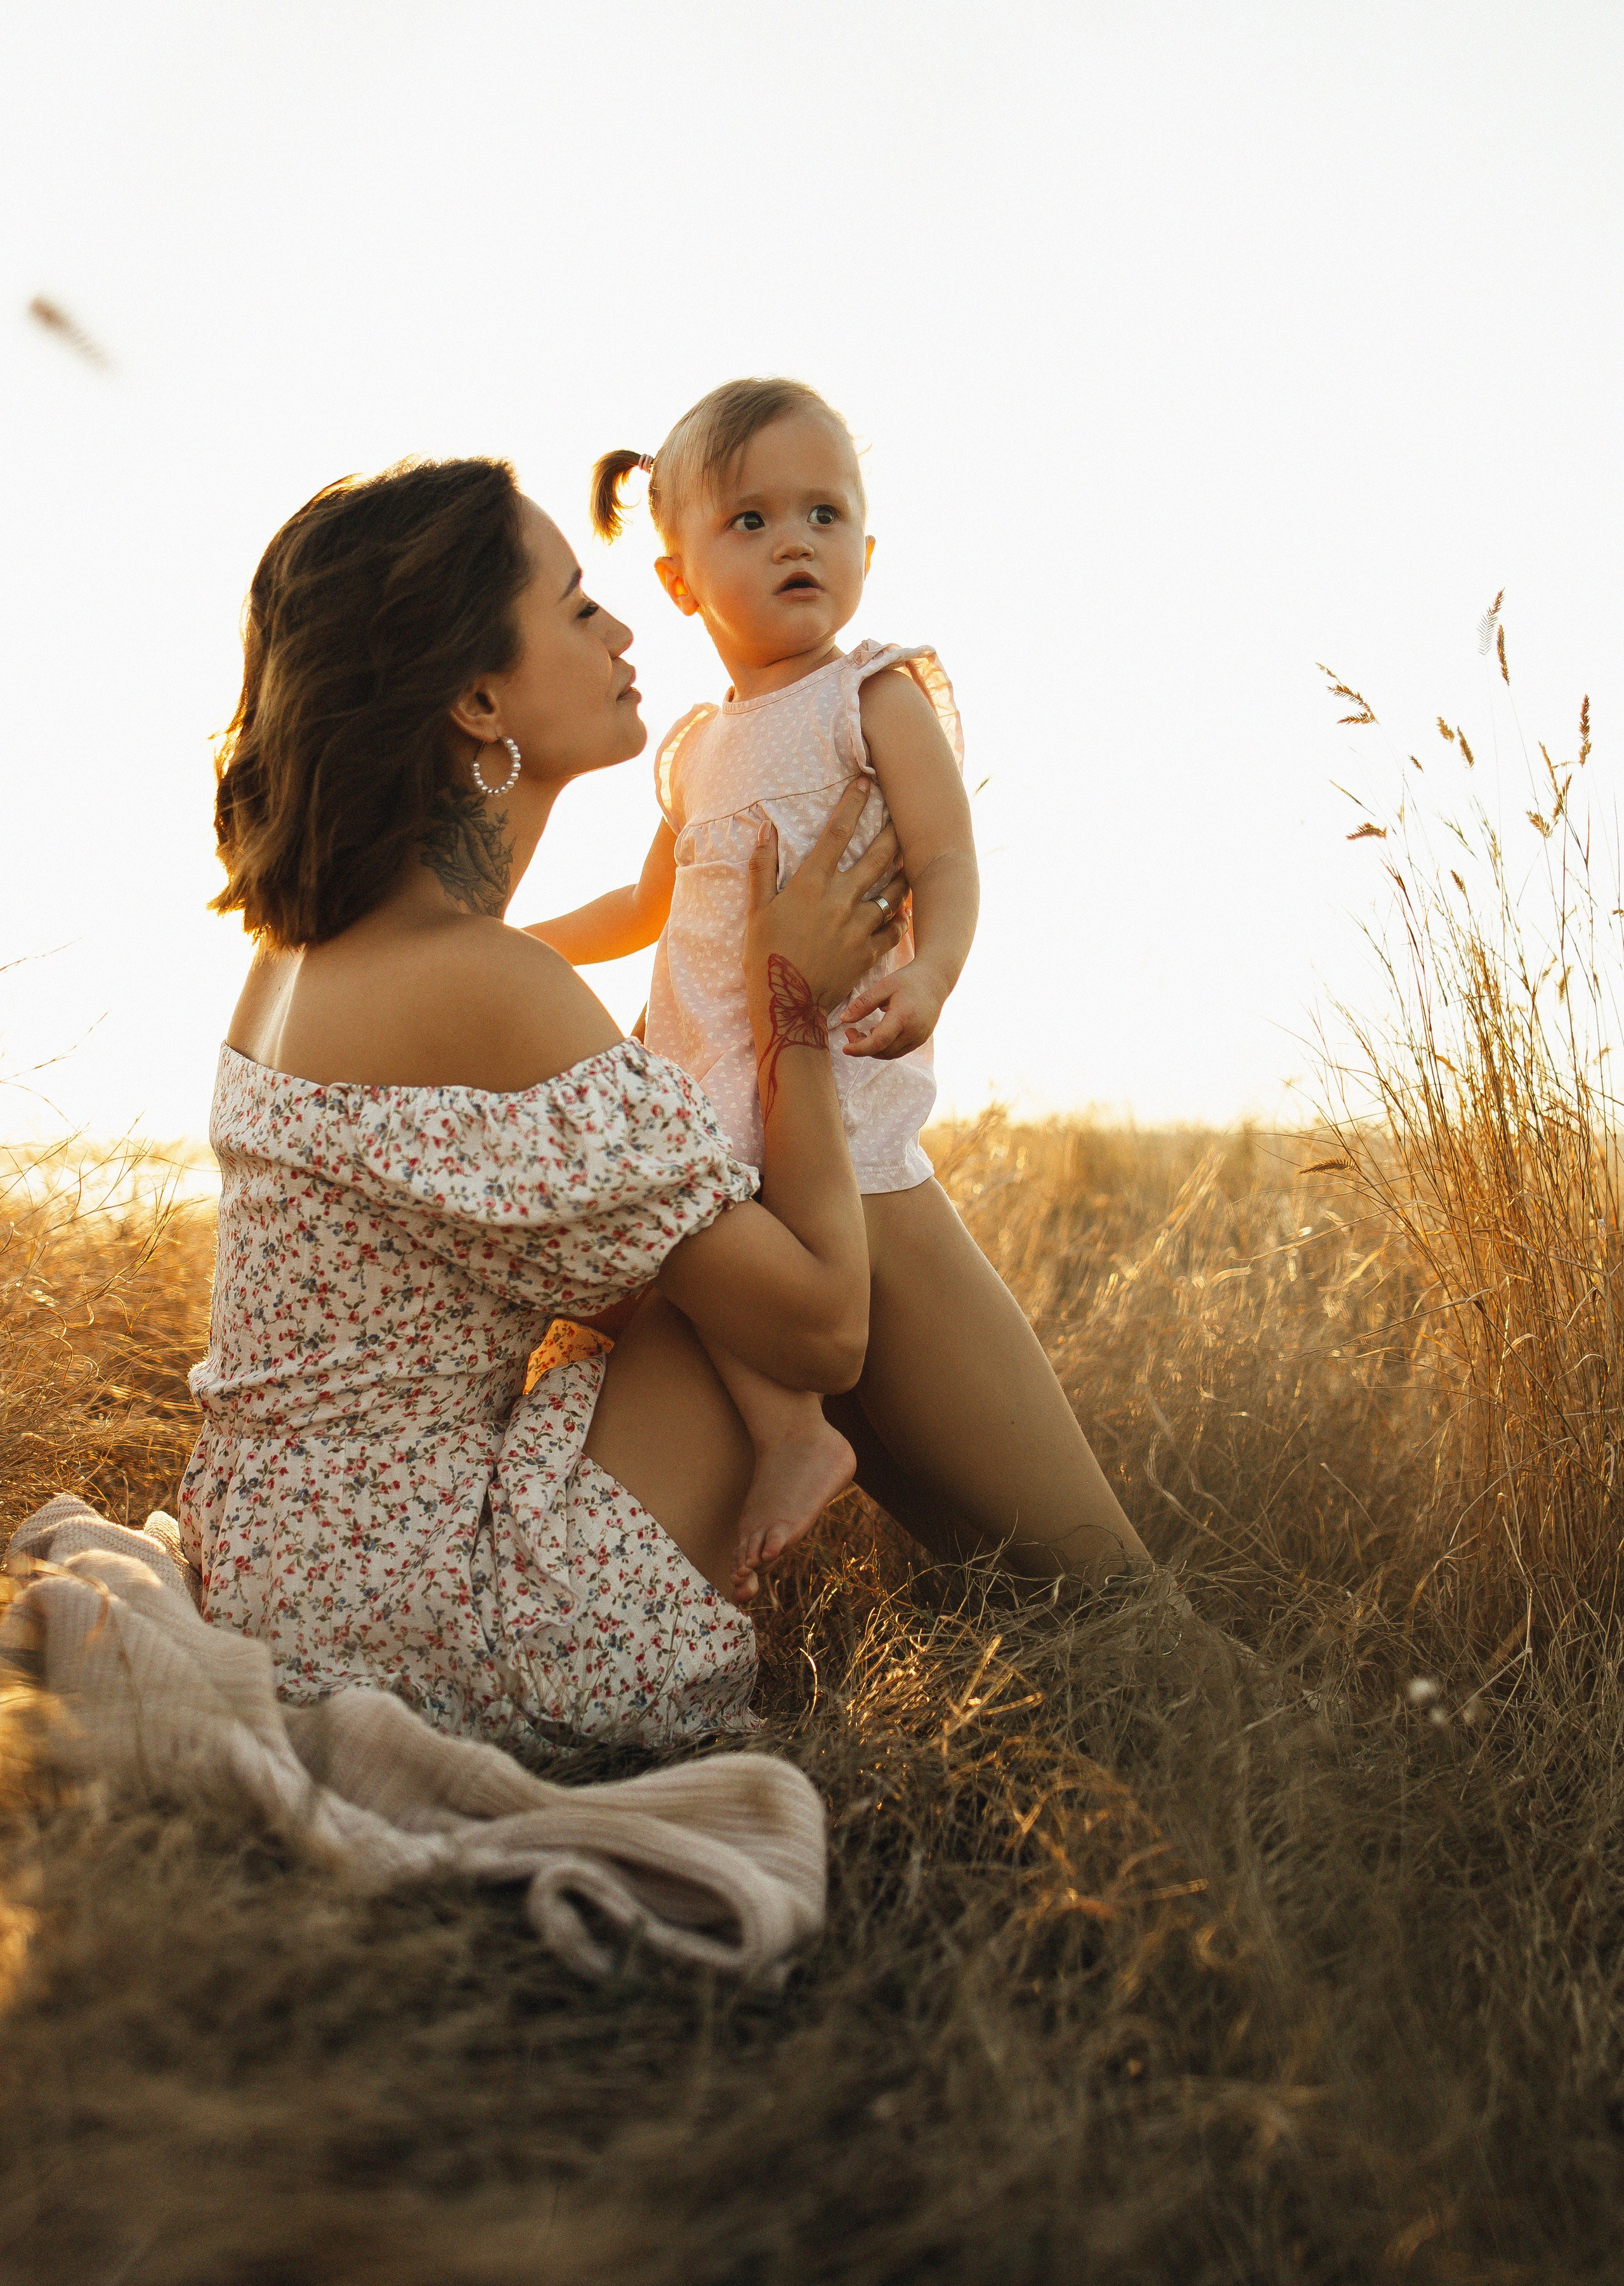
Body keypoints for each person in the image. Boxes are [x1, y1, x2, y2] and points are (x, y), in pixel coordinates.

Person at [183, 456, 903, 1748]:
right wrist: (788, 1003)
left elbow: (590, 1250)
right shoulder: (479, 982)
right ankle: (1100, 1597)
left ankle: (1100, 1590)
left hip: (292, 1575)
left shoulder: (301, 954)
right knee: (820, 1207)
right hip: (449, 1618)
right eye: (576, 605)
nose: (626, 631)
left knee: (709, 1206)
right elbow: (822, 1334)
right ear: (474, 696)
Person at [529, 378, 1149, 1596]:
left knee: (719, 1229)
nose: (794, 541)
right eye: (749, 522)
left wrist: (932, 972)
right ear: (679, 579)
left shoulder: (873, 696)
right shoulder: (699, 745)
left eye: (824, 514)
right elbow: (644, 909)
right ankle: (789, 1435)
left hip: (835, 1089)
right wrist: (514, 950)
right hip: (714, 1088)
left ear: (867, 546)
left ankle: (797, 1435)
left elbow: (948, 860)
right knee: (679, 1241)